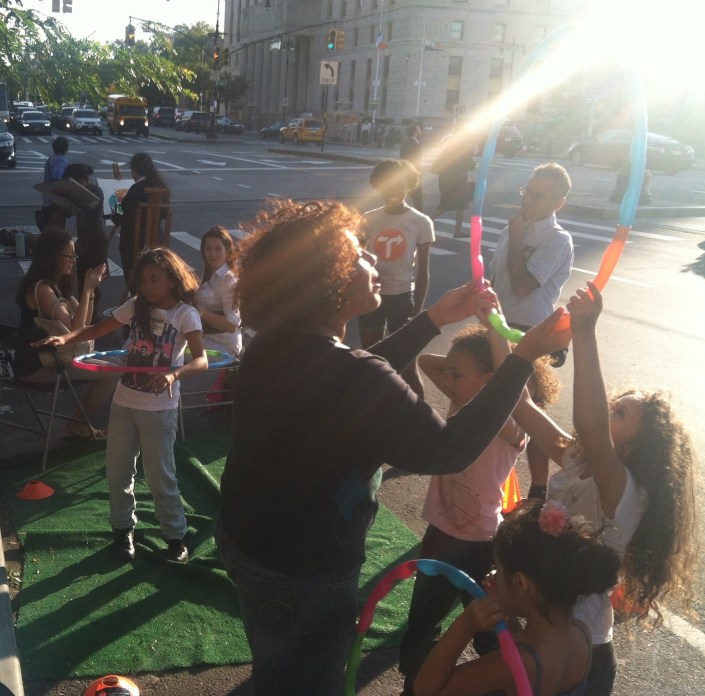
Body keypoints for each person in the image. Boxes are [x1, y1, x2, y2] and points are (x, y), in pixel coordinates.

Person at [214, 198, 571, 696]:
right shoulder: (353, 374)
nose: (373, 259)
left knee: (278, 665)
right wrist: (522, 359)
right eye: (358, 253)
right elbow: (446, 449)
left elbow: (349, 383)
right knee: (304, 681)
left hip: (247, 538)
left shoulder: (275, 342)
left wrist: (431, 321)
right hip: (305, 566)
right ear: (329, 281)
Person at [483, 283, 697, 696]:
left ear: (637, 446)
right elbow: (520, 403)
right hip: (543, 626)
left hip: (584, 652)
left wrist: (585, 333)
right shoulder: (576, 459)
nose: (605, 410)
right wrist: (494, 323)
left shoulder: (625, 492)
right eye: (612, 404)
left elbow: (591, 424)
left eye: (619, 412)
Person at [399, 324, 560, 696]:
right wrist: (473, 356)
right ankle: (416, 680)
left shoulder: (512, 426)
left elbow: (509, 388)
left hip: (479, 543)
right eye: (452, 374)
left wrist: (498, 342)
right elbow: (426, 361)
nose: (450, 379)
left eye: (458, 374)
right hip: (441, 534)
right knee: (424, 618)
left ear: (493, 382)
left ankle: (502, 676)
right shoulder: (463, 404)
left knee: (490, 621)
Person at [33, 248, 208, 563]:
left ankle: (174, 535)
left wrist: (173, 374)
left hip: (159, 410)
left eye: (155, 280)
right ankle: (122, 531)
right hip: (124, 402)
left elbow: (202, 360)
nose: (147, 286)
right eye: (142, 280)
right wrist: (65, 339)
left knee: (159, 474)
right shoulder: (136, 307)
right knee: (117, 470)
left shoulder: (185, 314)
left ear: (172, 279)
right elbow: (97, 330)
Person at [413, 500, 620, 696]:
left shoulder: (511, 665)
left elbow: (426, 689)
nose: (492, 574)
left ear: (520, 583)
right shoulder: (581, 633)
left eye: (498, 569)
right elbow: (532, 647)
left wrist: (465, 625)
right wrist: (508, 614)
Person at [489, 162, 574, 499]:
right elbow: (498, 281)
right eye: (527, 192)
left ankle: (538, 491)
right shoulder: (511, 229)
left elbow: (524, 285)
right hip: (501, 325)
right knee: (496, 409)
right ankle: (491, 482)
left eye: (539, 197)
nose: (528, 201)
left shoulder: (557, 240)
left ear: (558, 203)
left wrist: (518, 236)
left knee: (531, 412)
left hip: (533, 331)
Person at [14, 228, 117, 439]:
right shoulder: (42, 289)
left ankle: (78, 423)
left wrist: (90, 291)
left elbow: (85, 324)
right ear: (51, 257)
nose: (73, 260)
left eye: (74, 255)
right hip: (38, 365)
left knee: (118, 361)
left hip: (55, 358)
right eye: (68, 255)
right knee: (114, 372)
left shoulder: (56, 284)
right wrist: (88, 288)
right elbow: (74, 330)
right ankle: (77, 424)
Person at [358, 159, 435, 397]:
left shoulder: (421, 222)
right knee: (371, 359)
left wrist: (417, 311)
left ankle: (420, 417)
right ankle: (378, 408)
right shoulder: (367, 219)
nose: (393, 191)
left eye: (400, 185)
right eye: (387, 185)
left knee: (407, 366)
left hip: (402, 298)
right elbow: (356, 262)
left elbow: (423, 270)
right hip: (372, 297)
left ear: (409, 186)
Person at [111, 152, 170, 285]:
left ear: (135, 171)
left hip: (134, 243)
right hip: (157, 240)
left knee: (135, 279)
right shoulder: (160, 186)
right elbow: (165, 214)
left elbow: (121, 215)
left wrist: (115, 213)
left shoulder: (136, 189)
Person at [62, 163, 109, 324]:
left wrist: (70, 198)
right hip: (85, 240)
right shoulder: (80, 193)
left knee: (95, 278)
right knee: (82, 277)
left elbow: (89, 205)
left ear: (80, 179)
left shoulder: (94, 190)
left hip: (96, 240)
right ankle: (87, 313)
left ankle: (94, 316)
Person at [196, 226, 242, 358]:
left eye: (218, 249)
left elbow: (232, 324)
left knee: (171, 347)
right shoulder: (209, 273)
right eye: (208, 249)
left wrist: (200, 312)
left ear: (227, 251)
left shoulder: (228, 280)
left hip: (224, 348)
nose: (212, 254)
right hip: (205, 337)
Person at [429, 135, 476, 238]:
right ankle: (425, 224)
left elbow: (436, 166)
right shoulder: (463, 152)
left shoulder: (447, 151)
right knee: (447, 205)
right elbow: (472, 166)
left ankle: (457, 231)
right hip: (457, 183)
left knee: (458, 206)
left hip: (445, 181)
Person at [36, 136, 70, 231]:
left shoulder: (51, 159)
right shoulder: (61, 160)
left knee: (50, 229)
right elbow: (56, 178)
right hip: (56, 201)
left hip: (48, 199)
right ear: (66, 148)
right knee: (57, 230)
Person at [400, 124, 424, 211]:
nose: (420, 132)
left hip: (405, 171)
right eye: (418, 130)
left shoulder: (405, 142)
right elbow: (417, 159)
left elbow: (402, 156)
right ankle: (419, 217)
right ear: (415, 132)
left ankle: (399, 212)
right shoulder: (415, 143)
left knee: (404, 194)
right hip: (413, 172)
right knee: (418, 197)